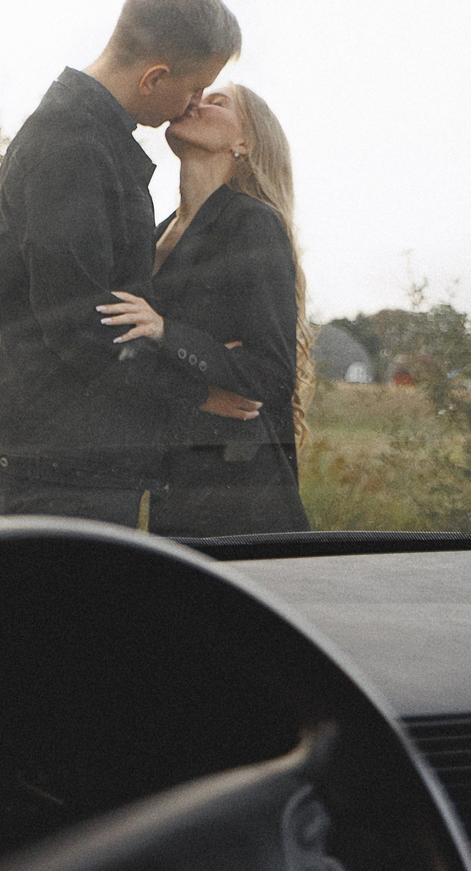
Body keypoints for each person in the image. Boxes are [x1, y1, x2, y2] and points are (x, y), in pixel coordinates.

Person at [0, 0, 248, 526]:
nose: (194, 102)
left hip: (79, 462)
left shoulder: (88, 139)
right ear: (155, 76)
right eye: (194, 87)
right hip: (66, 472)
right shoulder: (71, 147)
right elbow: (80, 326)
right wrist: (199, 392)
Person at [97, 83, 313, 537]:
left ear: (245, 144)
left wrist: (165, 333)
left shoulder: (252, 223)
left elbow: (271, 374)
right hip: (171, 485)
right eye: (196, 94)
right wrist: (207, 370)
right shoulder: (152, 233)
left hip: (243, 496)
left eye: (217, 102)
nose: (195, 101)